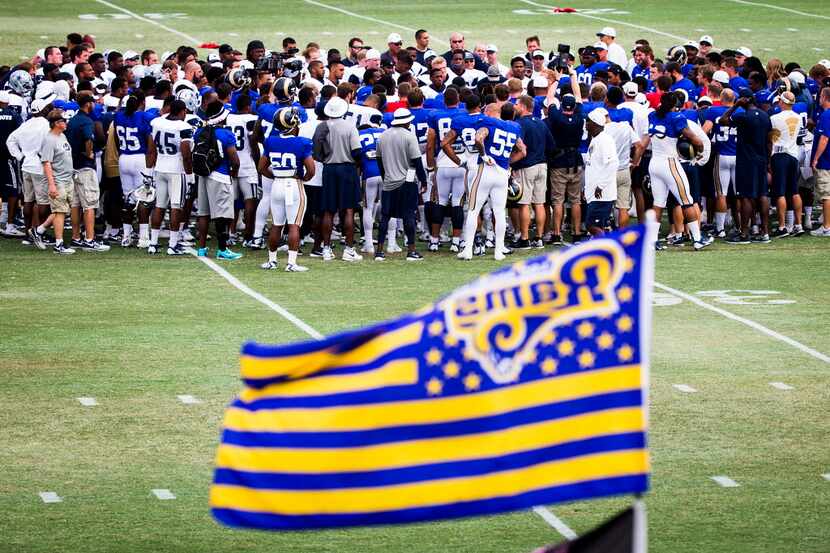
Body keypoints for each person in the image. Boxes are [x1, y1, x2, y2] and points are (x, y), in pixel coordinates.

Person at [453, 103, 526, 261]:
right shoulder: (514, 126)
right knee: (499, 213)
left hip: (486, 170)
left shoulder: (488, 122)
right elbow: (523, 150)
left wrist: (484, 155)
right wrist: (508, 163)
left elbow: (478, 138)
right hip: (502, 174)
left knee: (473, 210)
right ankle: (498, 251)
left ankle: (468, 250)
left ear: (489, 112)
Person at [641, 92, 713, 250]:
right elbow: (695, 139)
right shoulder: (676, 117)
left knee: (658, 203)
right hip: (670, 163)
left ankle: (652, 241)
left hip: (654, 163)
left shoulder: (652, 115)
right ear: (674, 105)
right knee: (687, 200)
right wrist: (699, 150)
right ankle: (697, 239)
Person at [259, 107, 315, 272]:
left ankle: (272, 260)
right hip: (293, 185)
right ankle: (291, 263)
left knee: (277, 224)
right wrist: (303, 178)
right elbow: (311, 169)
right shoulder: (302, 142)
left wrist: (276, 176)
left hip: (277, 184)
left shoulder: (271, 141)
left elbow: (261, 167)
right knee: (293, 225)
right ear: (294, 125)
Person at [312, 96, 363, 262]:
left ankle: (326, 248)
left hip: (329, 169)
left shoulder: (321, 126)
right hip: (347, 168)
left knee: (328, 210)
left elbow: (316, 153)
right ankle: (348, 249)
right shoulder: (349, 127)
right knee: (348, 209)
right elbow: (356, 151)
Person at [374, 108, 427, 261]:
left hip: (389, 182)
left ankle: (379, 251)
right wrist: (423, 180)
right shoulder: (409, 136)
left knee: (385, 216)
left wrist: (385, 177)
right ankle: (411, 251)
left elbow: (379, 160)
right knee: (409, 216)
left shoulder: (382, 136)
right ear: (407, 122)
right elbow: (417, 161)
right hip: (407, 182)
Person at [719, 89, 772, 243]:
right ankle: (765, 233)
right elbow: (769, 141)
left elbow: (723, 120)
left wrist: (735, 105)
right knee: (762, 194)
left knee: (746, 197)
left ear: (745, 99)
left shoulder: (742, 116)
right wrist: (768, 161)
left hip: (746, 161)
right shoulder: (764, 115)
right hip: (761, 159)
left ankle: (744, 234)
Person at [193, 100, 242, 259]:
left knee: (204, 213)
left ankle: (201, 248)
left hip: (203, 175)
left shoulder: (200, 131)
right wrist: (233, 174)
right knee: (222, 215)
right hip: (220, 175)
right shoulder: (226, 134)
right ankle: (222, 249)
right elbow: (234, 160)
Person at [145, 98, 194, 255]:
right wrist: (190, 175)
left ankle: (153, 243)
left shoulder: (157, 122)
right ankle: (172, 245)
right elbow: (186, 155)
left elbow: (151, 149)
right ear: (182, 111)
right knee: (176, 206)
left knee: (159, 205)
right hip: (176, 170)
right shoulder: (184, 127)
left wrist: (149, 170)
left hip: (160, 167)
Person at [65, 93, 109, 251]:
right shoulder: (86, 121)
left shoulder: (73, 120)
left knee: (76, 204)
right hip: (85, 166)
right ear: (88, 104)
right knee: (89, 204)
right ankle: (89, 239)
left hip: (73, 166)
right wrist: (90, 153)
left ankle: (76, 237)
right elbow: (88, 139)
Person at [545, 68, 584, 244]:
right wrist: (573, 76)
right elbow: (578, 95)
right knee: (575, 200)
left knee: (558, 200)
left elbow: (549, 98)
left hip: (559, 162)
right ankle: (576, 233)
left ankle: (556, 233)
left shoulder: (556, 117)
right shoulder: (579, 117)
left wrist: (557, 80)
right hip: (576, 161)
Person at [511, 95, 554, 248]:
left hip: (526, 166)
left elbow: (518, 146)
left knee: (524, 204)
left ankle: (524, 239)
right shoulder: (541, 123)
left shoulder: (520, 123)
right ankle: (539, 238)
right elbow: (551, 146)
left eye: (516, 104)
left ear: (523, 106)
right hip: (542, 166)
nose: (514, 106)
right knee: (540, 203)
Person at [769, 91, 804, 237]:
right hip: (793, 154)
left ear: (782, 102)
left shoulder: (774, 118)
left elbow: (772, 139)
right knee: (795, 191)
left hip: (780, 155)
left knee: (780, 192)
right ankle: (798, 224)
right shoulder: (798, 117)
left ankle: (782, 226)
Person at [40, 110, 75, 254]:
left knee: (63, 209)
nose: (66, 123)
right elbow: (46, 163)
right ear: (56, 123)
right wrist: (52, 184)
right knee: (59, 211)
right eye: (63, 121)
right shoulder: (49, 140)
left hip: (67, 179)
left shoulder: (62, 136)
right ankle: (59, 243)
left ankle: (39, 230)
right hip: (58, 180)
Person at [583, 109, 618, 236]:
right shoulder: (595, 139)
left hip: (602, 193)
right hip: (594, 192)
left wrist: (601, 186)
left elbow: (613, 164)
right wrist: (587, 189)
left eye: (588, 121)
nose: (586, 124)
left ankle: (605, 247)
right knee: (596, 225)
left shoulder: (605, 140)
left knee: (592, 225)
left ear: (596, 124)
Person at [0, 91, 23, 238]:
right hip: (8, 157)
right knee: (13, 190)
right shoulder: (13, 115)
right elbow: (20, 134)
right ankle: (9, 224)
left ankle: (5, 218)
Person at [810, 87, 830, 236]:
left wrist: (816, 158)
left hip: (825, 161)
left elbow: (824, 139)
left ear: (824, 97)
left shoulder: (826, 115)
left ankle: (826, 227)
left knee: (826, 196)